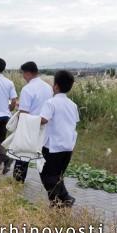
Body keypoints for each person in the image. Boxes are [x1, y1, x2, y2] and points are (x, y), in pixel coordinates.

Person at [39, 70, 79, 207]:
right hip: (68, 146)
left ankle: (64, 199)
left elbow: (43, 120)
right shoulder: (73, 105)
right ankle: (58, 203)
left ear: (55, 86)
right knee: (57, 175)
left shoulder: (51, 103)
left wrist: (27, 119)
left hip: (53, 146)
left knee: (47, 176)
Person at [13, 61, 53, 183]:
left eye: (23, 74)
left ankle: (18, 182)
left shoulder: (27, 89)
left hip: (30, 126)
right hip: (45, 126)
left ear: (28, 73)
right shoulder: (48, 87)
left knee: (22, 155)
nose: (23, 77)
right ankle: (51, 182)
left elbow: (24, 113)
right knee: (43, 156)